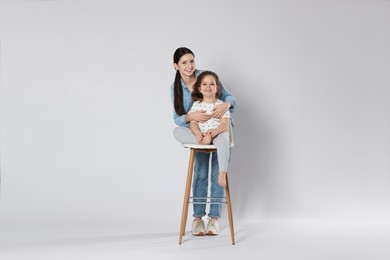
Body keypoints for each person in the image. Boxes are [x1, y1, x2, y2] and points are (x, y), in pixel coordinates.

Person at [170, 47, 237, 236]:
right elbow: (178, 118)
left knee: (216, 172)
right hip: (199, 133)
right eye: (184, 62)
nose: (189, 66)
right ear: (176, 66)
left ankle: (214, 218)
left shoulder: (206, 78)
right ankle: (198, 218)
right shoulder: (176, 88)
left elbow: (230, 100)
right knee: (200, 172)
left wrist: (226, 104)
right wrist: (193, 120)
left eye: (191, 61)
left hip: (218, 132)